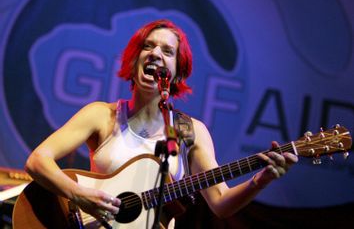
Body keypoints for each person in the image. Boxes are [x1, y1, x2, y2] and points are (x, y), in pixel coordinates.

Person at [25, 19, 298, 228]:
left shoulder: (190, 132)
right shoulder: (101, 115)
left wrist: (260, 182)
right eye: (148, 46)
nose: (155, 53)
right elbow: (38, 161)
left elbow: (220, 204)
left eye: (167, 51)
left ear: (177, 73)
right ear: (134, 62)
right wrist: (80, 195)